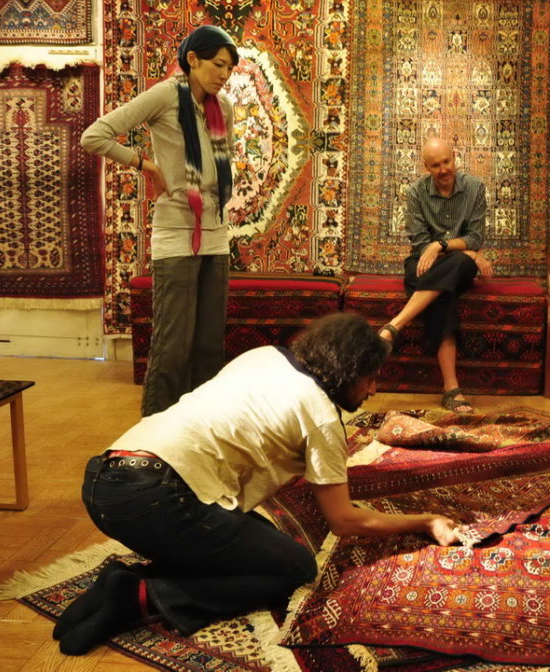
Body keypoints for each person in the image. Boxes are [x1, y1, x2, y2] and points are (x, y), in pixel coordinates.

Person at [53, 312, 461, 655]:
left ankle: (120, 581)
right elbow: (344, 520)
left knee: (253, 543)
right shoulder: (320, 416)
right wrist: (425, 521)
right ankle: (138, 597)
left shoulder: (263, 356)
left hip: (103, 480)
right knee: (292, 568)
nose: (373, 389)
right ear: (347, 371)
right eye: (369, 378)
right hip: (155, 498)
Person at [81, 25, 239, 416]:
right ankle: (157, 429)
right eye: (218, 64)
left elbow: (222, 163)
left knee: (208, 344)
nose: (224, 74)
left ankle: (201, 424)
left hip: (215, 233)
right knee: (173, 344)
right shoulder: (166, 95)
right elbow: (95, 136)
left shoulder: (223, 107)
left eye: (229, 68)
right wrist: (146, 165)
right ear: (193, 59)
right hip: (176, 231)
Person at [378, 138, 494, 412]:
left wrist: (440, 245)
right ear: (426, 167)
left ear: (455, 156)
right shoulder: (415, 193)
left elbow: (476, 237)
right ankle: (451, 389)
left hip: (457, 265)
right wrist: (468, 252)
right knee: (444, 295)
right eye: (435, 165)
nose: (443, 169)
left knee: (459, 264)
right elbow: (421, 244)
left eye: (447, 161)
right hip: (423, 266)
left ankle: (393, 325)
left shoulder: (475, 188)